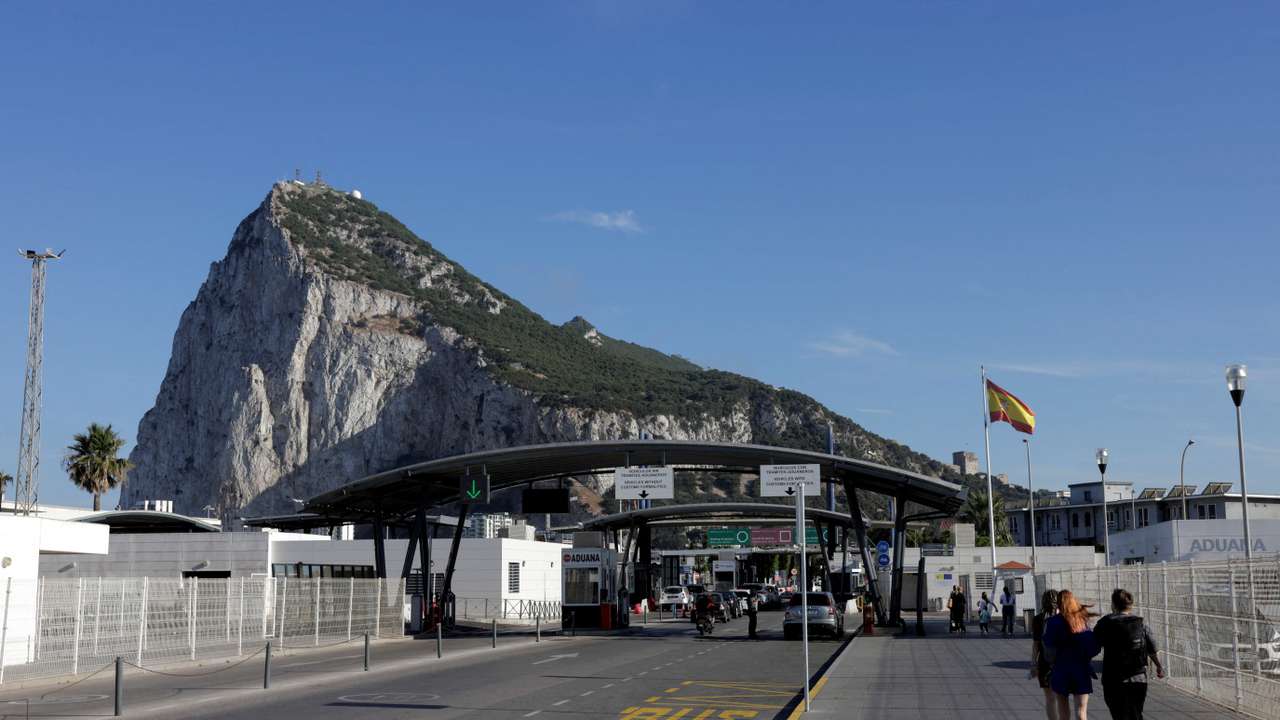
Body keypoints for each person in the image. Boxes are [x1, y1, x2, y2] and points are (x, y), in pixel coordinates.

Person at [1094, 588, 1165, 720]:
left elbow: (1094, 646)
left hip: (1113, 679)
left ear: (1113, 605)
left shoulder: (1105, 622)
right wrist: (1159, 666)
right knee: (1136, 714)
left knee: (1119, 715)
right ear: (1130, 605)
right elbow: (1152, 649)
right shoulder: (1140, 623)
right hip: (1138, 678)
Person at [1044, 589, 1100, 720]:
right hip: (1081, 670)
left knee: (1063, 712)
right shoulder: (1082, 620)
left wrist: (1052, 663)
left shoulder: (1053, 622)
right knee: (1081, 711)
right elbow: (1093, 647)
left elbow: (1049, 650)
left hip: (1061, 669)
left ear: (1058, 603)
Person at [1031, 589, 1061, 720]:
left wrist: (1033, 663)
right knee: (1062, 698)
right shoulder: (1064, 618)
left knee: (1050, 699)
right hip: (1062, 662)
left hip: (1044, 662)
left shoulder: (1038, 619)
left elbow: (1036, 644)